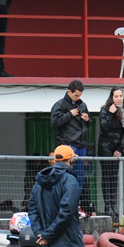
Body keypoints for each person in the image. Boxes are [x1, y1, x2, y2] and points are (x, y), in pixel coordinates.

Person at [49, 80, 93, 214]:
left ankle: (76, 205)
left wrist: (87, 119)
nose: (78, 98)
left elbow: (88, 124)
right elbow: (54, 123)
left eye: (80, 95)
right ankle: (64, 204)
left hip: (81, 144)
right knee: (65, 175)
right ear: (69, 92)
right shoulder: (60, 105)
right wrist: (70, 114)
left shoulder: (82, 105)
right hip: (67, 144)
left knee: (80, 177)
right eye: (76, 95)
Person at [97, 87, 124, 220]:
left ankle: (114, 205)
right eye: (116, 96)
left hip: (117, 148)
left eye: (120, 96)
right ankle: (108, 206)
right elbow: (104, 128)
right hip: (105, 146)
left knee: (114, 176)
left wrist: (120, 149)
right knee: (107, 176)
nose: (119, 98)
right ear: (111, 98)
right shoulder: (105, 110)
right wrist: (111, 114)